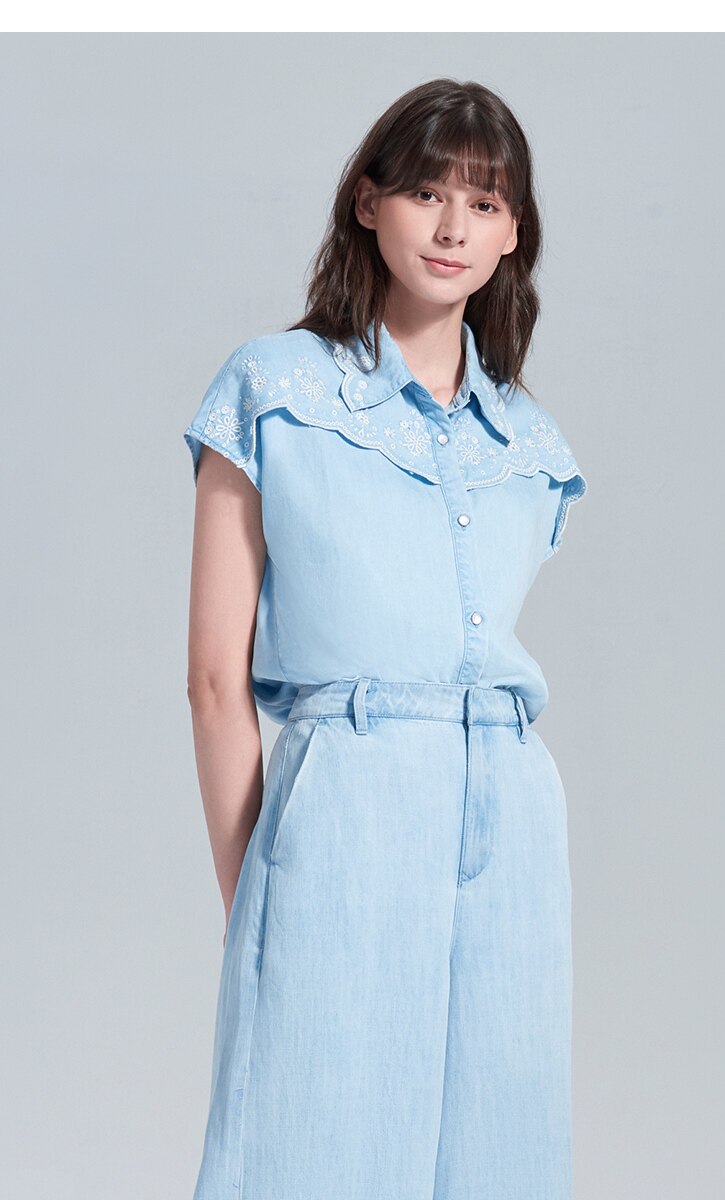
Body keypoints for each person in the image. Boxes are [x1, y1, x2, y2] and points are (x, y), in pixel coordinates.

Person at [184, 77, 587, 1200]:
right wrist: (255, 886)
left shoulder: (529, 444)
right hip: (346, 799)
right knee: (308, 1142)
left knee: (502, 1147)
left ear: (513, 234)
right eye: (425, 193)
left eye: (485, 204)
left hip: (511, 811)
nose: (453, 228)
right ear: (368, 203)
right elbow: (214, 679)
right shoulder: (273, 387)